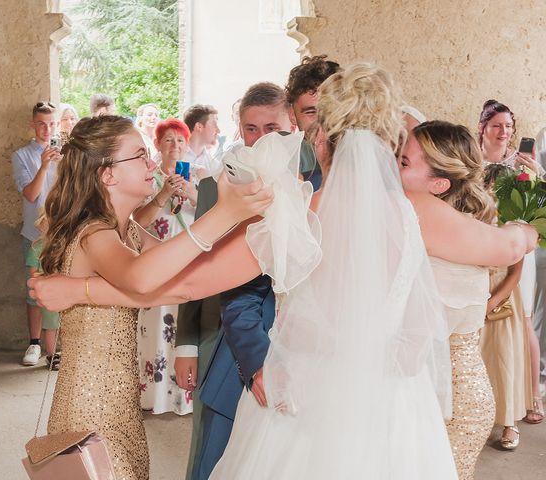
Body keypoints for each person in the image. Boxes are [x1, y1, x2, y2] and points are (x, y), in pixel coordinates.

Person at [209, 63, 536, 479]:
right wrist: (526, 227)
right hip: (393, 397)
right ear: (387, 137)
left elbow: (193, 282)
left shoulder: (294, 213)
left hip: (305, 392)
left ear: (321, 136)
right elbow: (506, 247)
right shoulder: (411, 211)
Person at [28, 114, 272, 479]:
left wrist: (262, 229)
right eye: (140, 156)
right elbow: (142, 280)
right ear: (107, 174)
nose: (152, 163)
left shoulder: (128, 230)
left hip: (121, 401)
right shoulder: (93, 232)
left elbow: (188, 280)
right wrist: (224, 213)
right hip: (89, 403)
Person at [179, 82, 293, 480]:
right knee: (211, 451)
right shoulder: (215, 187)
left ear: (291, 124)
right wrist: (186, 344)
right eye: (250, 129)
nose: (261, 139)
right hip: (224, 339)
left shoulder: (315, 187)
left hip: (297, 344)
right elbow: (195, 265)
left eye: (272, 128)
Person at [399, 120, 517, 479]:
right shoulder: (451, 232)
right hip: (430, 396)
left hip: (451, 406)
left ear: (438, 184)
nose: (390, 167)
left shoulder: (444, 247)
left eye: (403, 162)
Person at [478, 99, 544, 437]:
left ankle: (532, 397)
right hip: (481, 247)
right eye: (497, 126)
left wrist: (536, 173)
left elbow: (537, 207)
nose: (504, 132)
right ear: (483, 128)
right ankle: (488, 399)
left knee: (523, 322)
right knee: (487, 328)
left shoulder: (522, 164)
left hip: (517, 247)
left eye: (508, 126)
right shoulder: (470, 163)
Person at [133, 118, 197, 414]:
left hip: (189, 262)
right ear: (157, 145)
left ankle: (184, 397)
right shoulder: (148, 178)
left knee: (185, 327)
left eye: (181, 140)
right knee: (157, 325)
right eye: (169, 140)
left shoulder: (198, 175)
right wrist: (164, 194)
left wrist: (191, 192)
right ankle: (153, 396)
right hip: (157, 261)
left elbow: (212, 213)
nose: (175, 146)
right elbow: (138, 222)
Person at [11, 101, 61, 367]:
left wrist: (63, 166)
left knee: (60, 288)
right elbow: (31, 194)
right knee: (34, 291)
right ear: (33, 124)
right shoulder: (21, 155)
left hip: (61, 234)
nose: (47, 129)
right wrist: (43, 166)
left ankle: (56, 348)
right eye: (42, 123)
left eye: (51, 124)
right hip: (34, 234)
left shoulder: (64, 154)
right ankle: (34, 343)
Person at [284, 55, 340, 190]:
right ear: (292, 114)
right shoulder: (285, 161)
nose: (321, 122)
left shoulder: (361, 154)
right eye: (310, 112)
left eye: (330, 111)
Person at [24, 213, 60, 369]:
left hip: (65, 291)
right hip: (50, 292)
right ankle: (52, 356)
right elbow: (33, 273)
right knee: (51, 326)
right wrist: (46, 279)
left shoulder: (64, 245)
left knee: (65, 325)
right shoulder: (37, 247)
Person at [183, 104, 221, 177]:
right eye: (214, 124)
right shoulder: (173, 156)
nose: (218, 130)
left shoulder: (214, 165)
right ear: (199, 127)